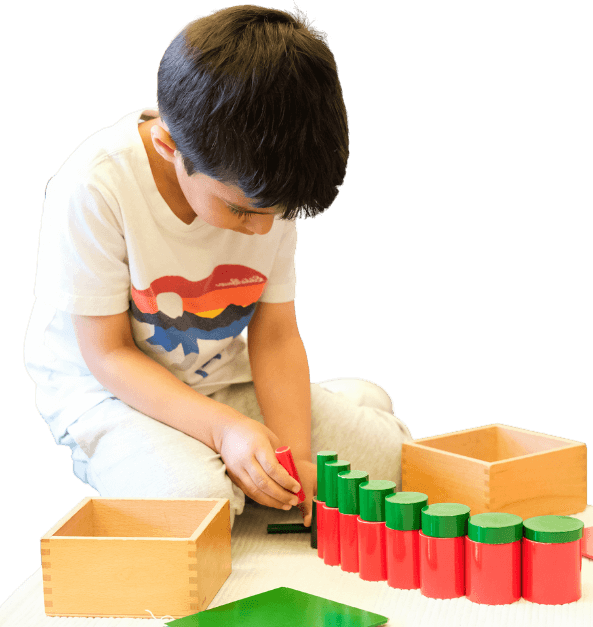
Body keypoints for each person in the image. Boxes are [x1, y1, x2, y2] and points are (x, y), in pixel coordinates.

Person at [23, 4, 411, 531]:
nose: (261, 230)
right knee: (200, 508)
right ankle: (151, 455)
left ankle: (331, 407)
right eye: (243, 211)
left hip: (219, 379)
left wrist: (293, 456)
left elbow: (273, 336)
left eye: (275, 215)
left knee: (391, 467)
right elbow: (108, 354)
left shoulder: (267, 183)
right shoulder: (94, 186)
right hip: (107, 392)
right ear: (168, 147)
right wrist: (226, 430)